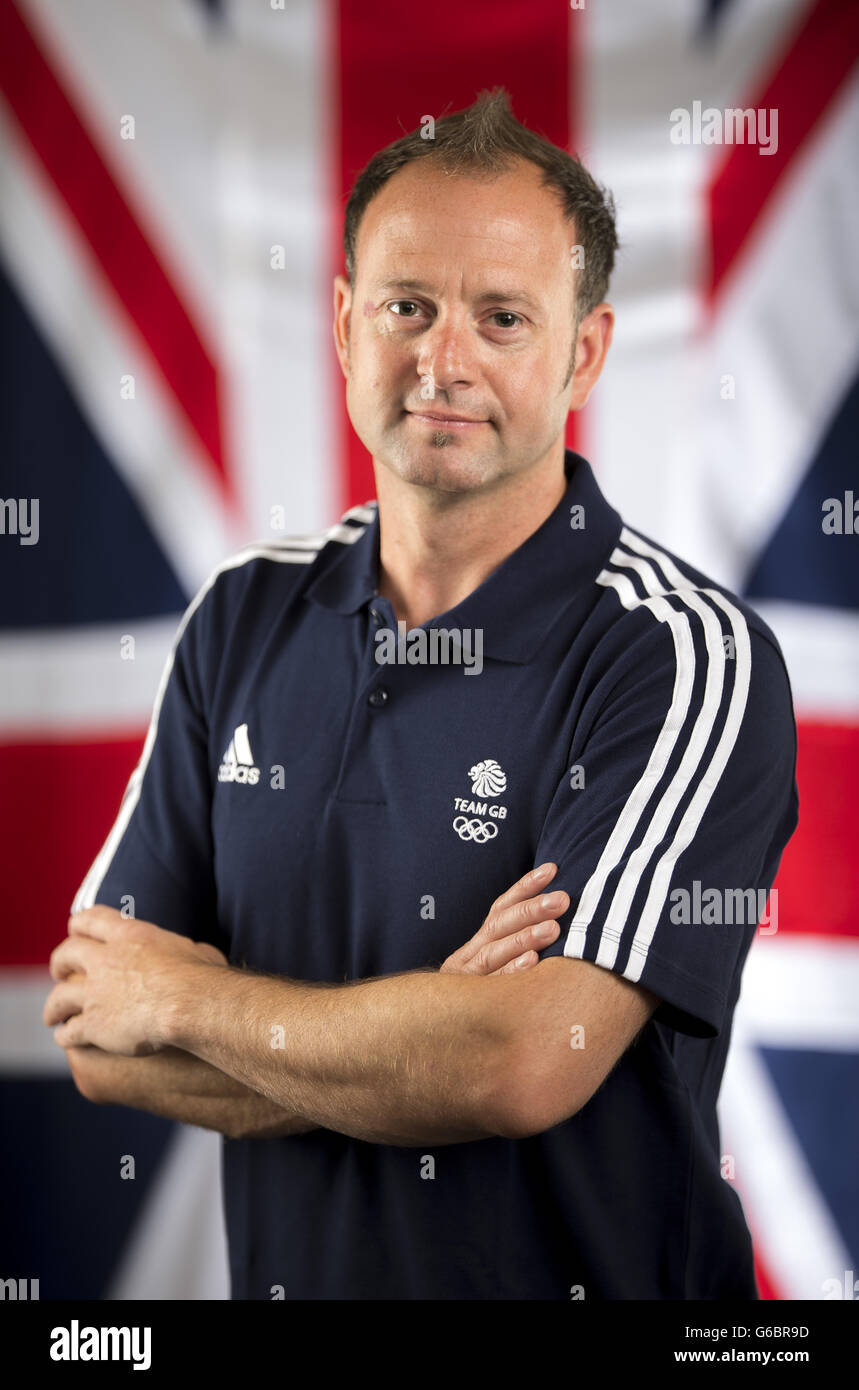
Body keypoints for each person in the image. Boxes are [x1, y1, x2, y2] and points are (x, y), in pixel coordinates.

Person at [45, 88, 798, 1300]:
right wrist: (419, 1042)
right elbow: (94, 1034)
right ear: (344, 324)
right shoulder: (242, 613)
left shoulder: (682, 656)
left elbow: (520, 1065)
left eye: (503, 318)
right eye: (407, 307)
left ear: (584, 352)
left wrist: (187, 997)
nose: (443, 363)